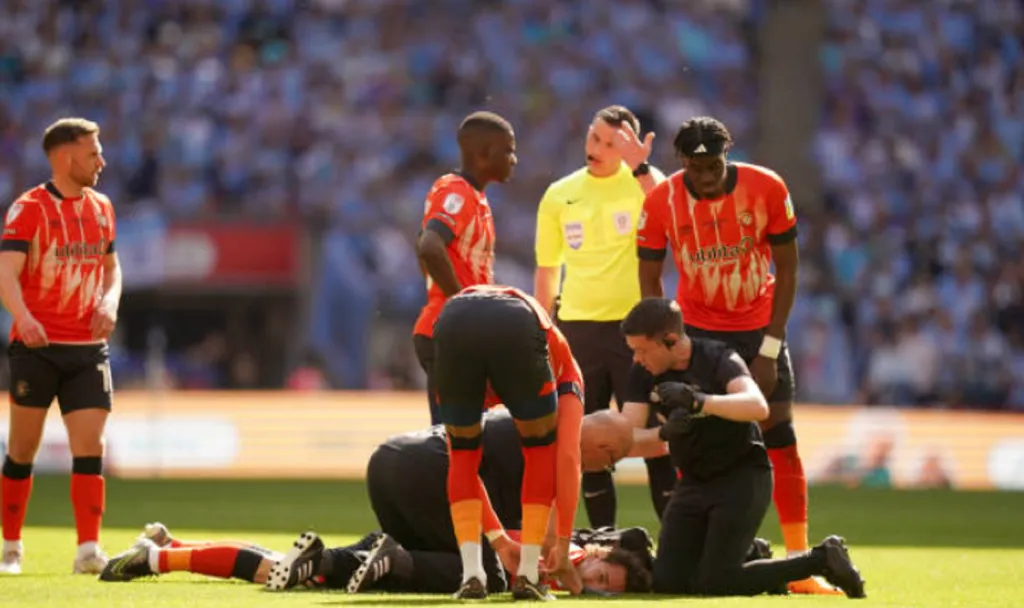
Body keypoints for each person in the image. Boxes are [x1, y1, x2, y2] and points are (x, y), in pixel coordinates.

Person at [636, 116, 829, 594]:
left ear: (728, 155)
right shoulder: (662, 202)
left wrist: (770, 346)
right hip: (698, 333)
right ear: (682, 163)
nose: (708, 175)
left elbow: (787, 269)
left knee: (780, 437)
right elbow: (649, 276)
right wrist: (668, 340)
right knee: (693, 443)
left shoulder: (767, 187)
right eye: (697, 167)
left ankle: (800, 564)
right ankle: (706, 549)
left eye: (716, 164)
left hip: (758, 330)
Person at [602, 298, 867, 598]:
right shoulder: (643, 372)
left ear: (671, 340)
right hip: (693, 482)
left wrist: (699, 402)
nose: (636, 359)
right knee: (668, 583)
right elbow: (629, 440)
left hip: (741, 477)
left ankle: (822, 559)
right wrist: (663, 432)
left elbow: (757, 406)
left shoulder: (718, 357)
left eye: (642, 350)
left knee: (715, 582)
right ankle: (754, 556)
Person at [533, 105, 674, 530]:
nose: (597, 147)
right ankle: (602, 540)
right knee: (588, 442)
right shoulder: (560, 194)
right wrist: (544, 329)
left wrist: (641, 166)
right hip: (578, 332)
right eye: (594, 137)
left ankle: (675, 539)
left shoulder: (643, 183)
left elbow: (672, 210)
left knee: (656, 438)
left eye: (610, 142)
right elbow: (547, 269)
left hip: (638, 333)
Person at [0, 118, 121, 575]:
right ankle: (11, 548)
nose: (101, 161)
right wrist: (24, 318)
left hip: (88, 348)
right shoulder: (29, 208)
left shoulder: (103, 207)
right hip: (39, 347)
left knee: (91, 446)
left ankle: (88, 550)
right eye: (93, 153)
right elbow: (6, 272)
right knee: (23, 449)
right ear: (66, 157)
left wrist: (109, 300)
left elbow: (112, 267)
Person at [433, 284, 583, 600]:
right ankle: (528, 576)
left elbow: (463, 471)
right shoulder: (567, 370)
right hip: (516, 322)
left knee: (462, 455)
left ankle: (472, 575)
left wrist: (498, 539)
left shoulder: (457, 333)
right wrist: (563, 544)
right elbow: (568, 459)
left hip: (452, 320)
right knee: (540, 451)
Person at [98, 522, 653, 597]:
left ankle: (164, 550)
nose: (595, 587)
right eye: (602, 576)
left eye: (606, 589)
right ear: (598, 553)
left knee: (276, 567)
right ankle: (156, 558)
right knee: (280, 571)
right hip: (412, 553)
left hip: (406, 553)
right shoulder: (559, 547)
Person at [413, 111, 516, 426]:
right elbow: (429, 245)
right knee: (454, 446)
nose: (515, 159)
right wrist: (463, 304)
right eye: (508, 150)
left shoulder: (475, 197)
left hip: (459, 331)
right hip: (450, 332)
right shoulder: (456, 191)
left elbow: (425, 246)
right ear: (484, 154)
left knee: (469, 441)